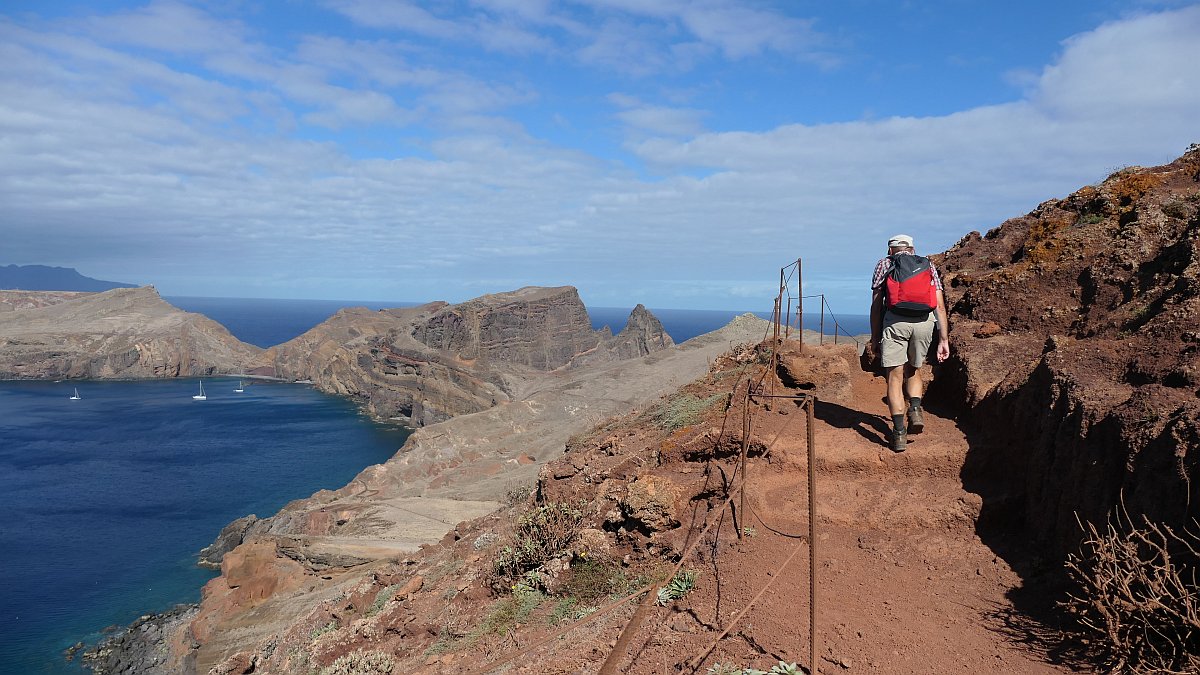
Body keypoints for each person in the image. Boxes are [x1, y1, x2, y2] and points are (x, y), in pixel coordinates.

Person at [870, 234, 950, 453]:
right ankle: (915, 409)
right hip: (924, 324)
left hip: (895, 324)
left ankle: (898, 434)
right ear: (912, 249)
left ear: (890, 250)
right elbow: (940, 306)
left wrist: (875, 337)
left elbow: (877, 305)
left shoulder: (884, 264)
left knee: (894, 378)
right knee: (914, 369)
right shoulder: (928, 265)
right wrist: (943, 339)